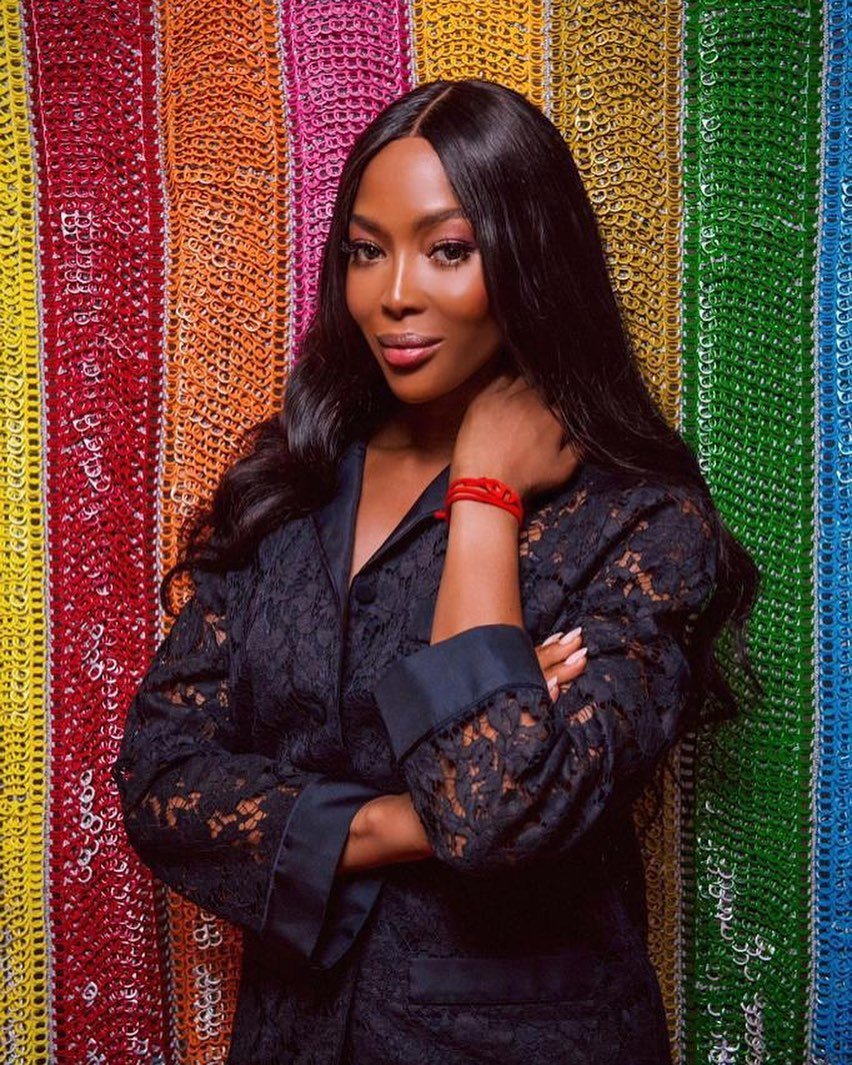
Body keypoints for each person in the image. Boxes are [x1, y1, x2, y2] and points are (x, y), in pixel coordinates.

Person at [111, 78, 760, 1065]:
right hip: (292, 1038)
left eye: (447, 249)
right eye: (366, 250)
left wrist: (486, 493)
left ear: (530, 257)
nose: (394, 294)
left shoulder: (637, 521)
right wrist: (403, 822)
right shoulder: (294, 483)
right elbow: (161, 781)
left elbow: (494, 809)